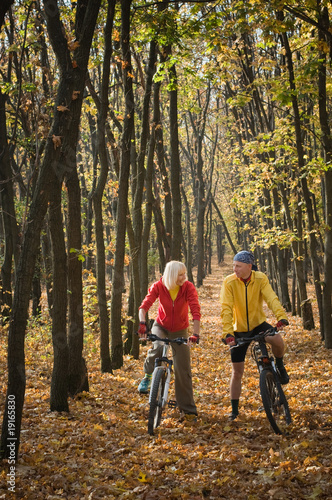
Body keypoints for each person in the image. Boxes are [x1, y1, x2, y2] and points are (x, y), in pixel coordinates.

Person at [220, 250, 289, 421]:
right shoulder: (229, 282)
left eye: (238, 266)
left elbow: (271, 298)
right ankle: (234, 411)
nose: (234, 269)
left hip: (258, 324)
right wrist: (228, 333)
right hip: (238, 329)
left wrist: (281, 316)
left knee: (277, 340)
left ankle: (279, 365)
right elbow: (226, 309)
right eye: (233, 265)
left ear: (249, 266)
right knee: (237, 372)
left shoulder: (260, 278)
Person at [137, 260, 201, 419]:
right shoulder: (159, 286)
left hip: (180, 329)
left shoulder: (188, 288)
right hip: (161, 326)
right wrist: (142, 324)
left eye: (185, 274)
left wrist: (195, 334)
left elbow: (195, 311)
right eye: (180, 275)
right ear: (172, 275)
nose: (184, 277)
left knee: (183, 368)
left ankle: (187, 409)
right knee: (158, 346)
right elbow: (144, 307)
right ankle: (148, 375)